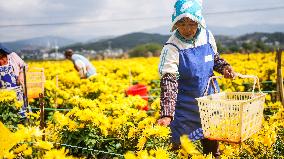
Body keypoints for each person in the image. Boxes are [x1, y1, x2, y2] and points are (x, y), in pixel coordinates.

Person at [157, 0, 236, 158]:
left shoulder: (207, 36)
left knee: (212, 149)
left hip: (209, 103)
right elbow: (169, 82)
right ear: (175, 23)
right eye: (182, 23)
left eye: (192, 23)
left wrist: (224, 67)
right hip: (185, 108)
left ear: (199, 21)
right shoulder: (172, 47)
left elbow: (214, 59)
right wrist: (166, 114)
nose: (187, 29)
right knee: (181, 150)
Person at [0, 44, 28, 117]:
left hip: (17, 92)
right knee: (6, 116)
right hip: (2, 95)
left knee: (21, 115)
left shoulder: (12, 56)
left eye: (2, 55)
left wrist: (21, 75)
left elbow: (24, 66)